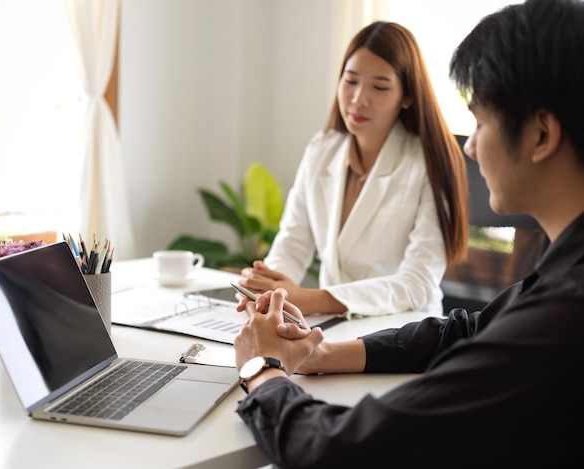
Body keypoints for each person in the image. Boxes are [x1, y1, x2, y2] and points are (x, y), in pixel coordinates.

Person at [232, 0, 584, 466]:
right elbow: (468, 328)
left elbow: (336, 449)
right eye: (350, 81)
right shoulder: (559, 277)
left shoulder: (562, 315)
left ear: (542, 135)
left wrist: (262, 370)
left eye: (480, 122)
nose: (472, 148)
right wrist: (321, 352)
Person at [238, 21, 468, 318]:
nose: (359, 98)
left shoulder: (429, 161)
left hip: (404, 330)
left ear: (408, 96)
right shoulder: (322, 149)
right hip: (331, 326)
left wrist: (310, 300)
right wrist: (269, 289)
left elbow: (417, 283)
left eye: (380, 87)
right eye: (350, 81)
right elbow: (293, 243)